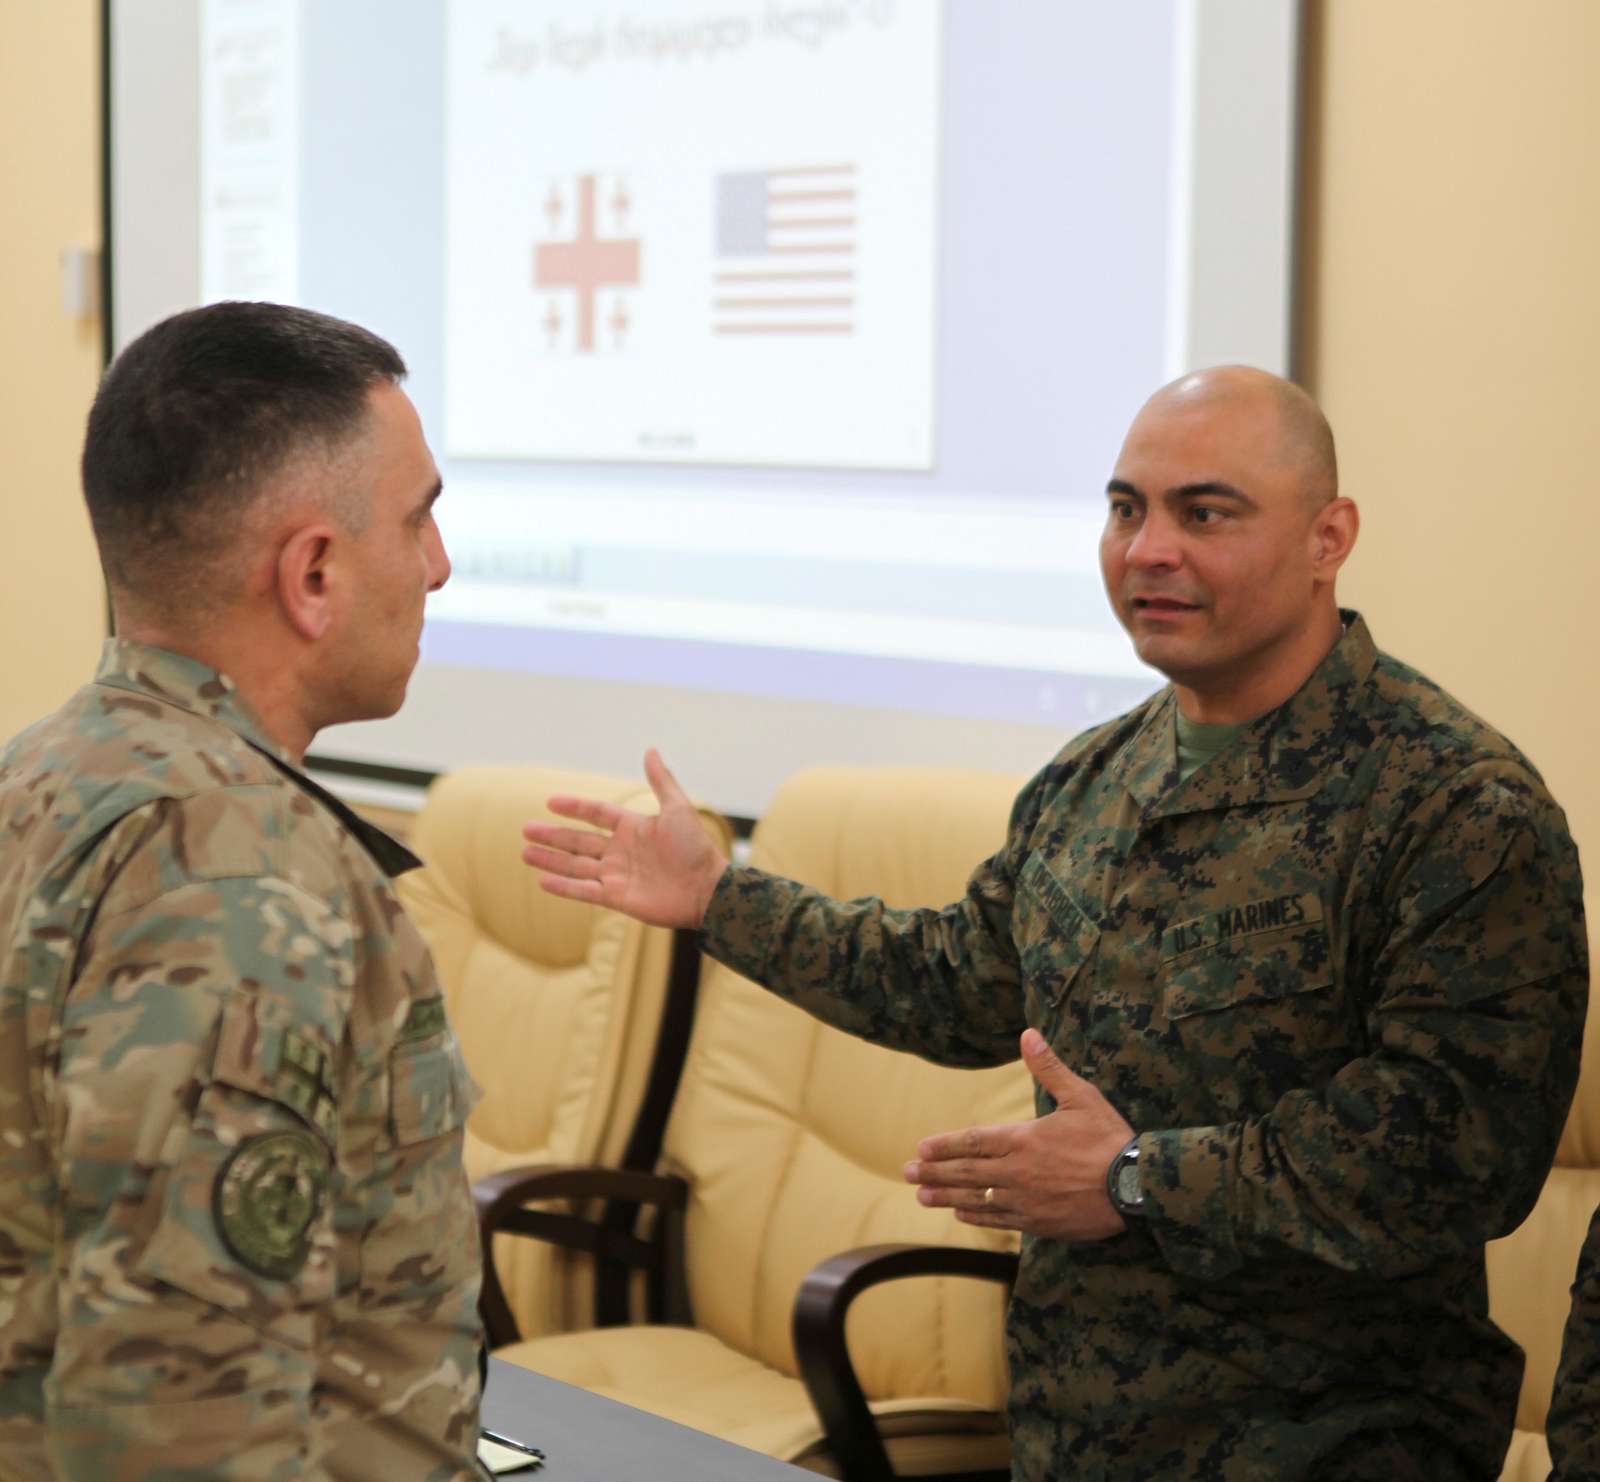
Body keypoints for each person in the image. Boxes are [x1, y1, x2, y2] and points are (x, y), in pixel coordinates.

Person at [521, 366, 1588, 1480]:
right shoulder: (1094, 776)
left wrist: (1135, 1177)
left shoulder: (1455, 806)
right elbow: (961, 978)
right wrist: (721, 899)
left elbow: (1457, 1150)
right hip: (1073, 1437)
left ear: (1329, 537)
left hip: (1325, 1447)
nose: (1148, 549)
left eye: (1203, 512)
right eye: (1126, 509)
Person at [0, 302, 484, 1479]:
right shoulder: (244, 873)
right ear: (313, 572)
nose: (438, 564)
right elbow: (178, 1420)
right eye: (417, 519)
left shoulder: (39, 773)